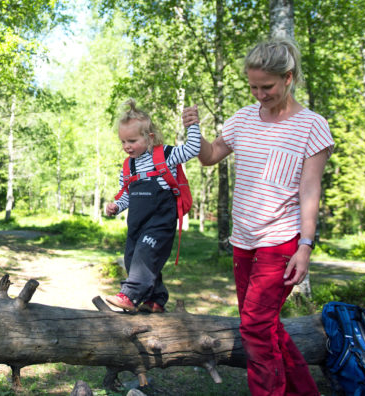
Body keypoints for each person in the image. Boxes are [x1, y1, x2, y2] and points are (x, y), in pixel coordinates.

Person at [187, 38, 333, 396]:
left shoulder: (313, 126)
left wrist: (306, 246)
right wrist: (194, 129)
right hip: (244, 240)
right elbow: (209, 156)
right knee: (264, 326)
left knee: (254, 326)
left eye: (266, 86)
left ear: (288, 77)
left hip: (281, 241)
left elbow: (310, 190)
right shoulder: (242, 118)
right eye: (253, 86)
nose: (259, 94)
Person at [105, 98, 200, 313]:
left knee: (145, 256)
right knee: (132, 259)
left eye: (132, 140)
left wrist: (192, 125)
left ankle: (129, 295)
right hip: (137, 222)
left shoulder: (166, 155)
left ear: (149, 138)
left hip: (161, 220)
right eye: (123, 142)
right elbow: (126, 194)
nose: (126, 146)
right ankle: (155, 299)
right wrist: (116, 207)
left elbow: (193, 148)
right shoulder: (128, 166)